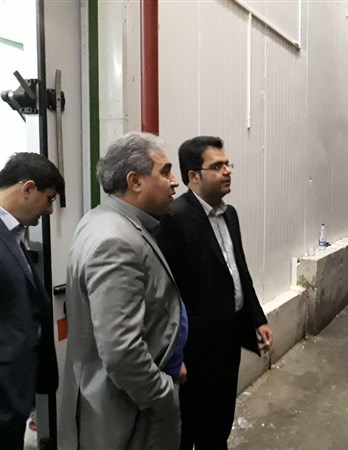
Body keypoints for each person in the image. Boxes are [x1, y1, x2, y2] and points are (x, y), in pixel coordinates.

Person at [58, 132, 187, 450]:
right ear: (135, 181)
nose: (175, 182)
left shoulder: (103, 220)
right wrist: (163, 395)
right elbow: (121, 352)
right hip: (129, 414)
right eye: (165, 172)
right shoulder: (116, 241)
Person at [156, 136, 273, 449]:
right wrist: (174, 355)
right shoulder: (175, 219)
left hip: (228, 340)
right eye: (217, 166)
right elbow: (165, 295)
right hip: (194, 350)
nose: (227, 171)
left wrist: (257, 318)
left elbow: (239, 271)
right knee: (189, 428)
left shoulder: (229, 214)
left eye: (227, 164)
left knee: (219, 423)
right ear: (193, 176)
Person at [0, 152, 63, 450]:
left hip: (14, 391)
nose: (49, 210)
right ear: (27, 189)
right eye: (49, 199)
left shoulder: (14, 234)